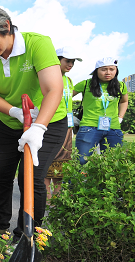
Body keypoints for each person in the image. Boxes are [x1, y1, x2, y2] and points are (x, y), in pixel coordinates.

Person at [0, 5, 67, 242]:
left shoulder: (37, 44)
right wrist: (14, 112)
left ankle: (28, 235)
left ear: (6, 27)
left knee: (31, 176)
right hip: (8, 122)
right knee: (1, 175)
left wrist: (39, 127)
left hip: (48, 120)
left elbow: (53, 89)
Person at [73, 57, 128, 165]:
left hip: (113, 129)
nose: (108, 72)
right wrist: (68, 114)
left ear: (116, 71)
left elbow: (124, 101)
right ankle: (75, 182)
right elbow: (64, 96)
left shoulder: (121, 86)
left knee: (112, 163)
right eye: (104, 69)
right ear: (96, 71)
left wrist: (120, 117)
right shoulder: (85, 84)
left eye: (112, 69)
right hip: (89, 127)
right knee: (81, 161)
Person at [44, 47, 82, 200]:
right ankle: (45, 199)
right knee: (47, 161)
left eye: (73, 62)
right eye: (67, 61)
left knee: (63, 162)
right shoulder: (47, 77)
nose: (71, 64)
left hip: (67, 127)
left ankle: (57, 199)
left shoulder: (69, 80)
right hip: (50, 124)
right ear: (57, 60)